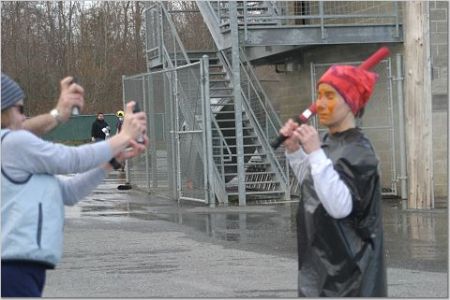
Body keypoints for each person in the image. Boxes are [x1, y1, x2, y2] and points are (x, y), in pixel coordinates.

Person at [1, 73, 148, 297]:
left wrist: (112, 162)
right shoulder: (13, 143)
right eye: (20, 110)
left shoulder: (17, 152)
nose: (25, 117)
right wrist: (123, 136)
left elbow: (69, 192)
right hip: (12, 267)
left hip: (24, 266)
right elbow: (72, 159)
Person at [280, 63, 387, 296]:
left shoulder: (360, 152)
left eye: (330, 96)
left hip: (351, 277)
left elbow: (339, 207)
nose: (321, 104)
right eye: (319, 96)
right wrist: (295, 151)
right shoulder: (328, 142)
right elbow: (313, 186)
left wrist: (316, 153)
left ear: (351, 102)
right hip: (321, 269)